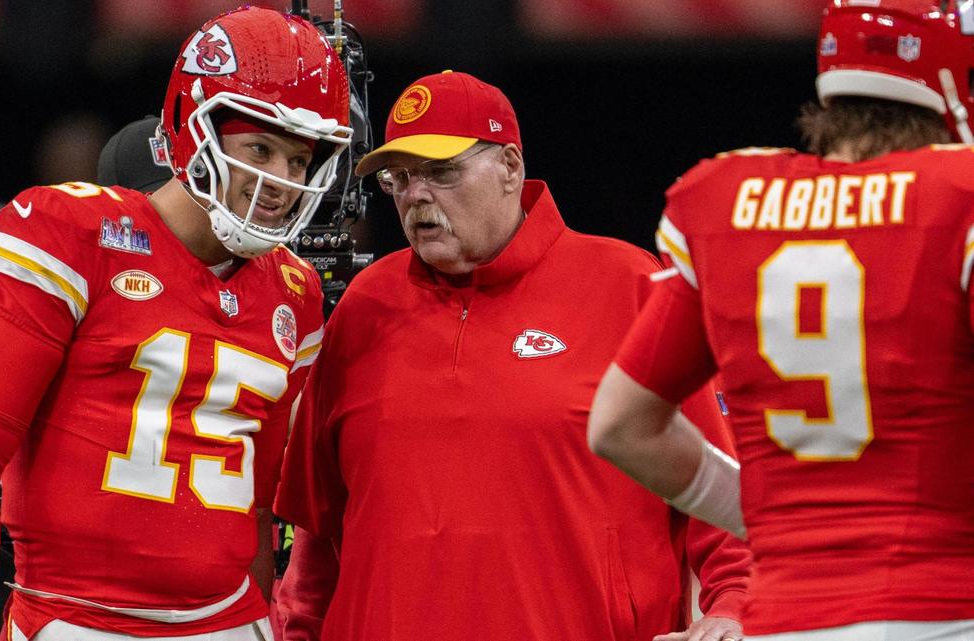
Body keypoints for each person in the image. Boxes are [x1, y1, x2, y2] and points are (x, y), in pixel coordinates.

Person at [274, 70, 750, 641]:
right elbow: (317, 538)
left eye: (442, 172)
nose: (416, 195)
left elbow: (724, 497)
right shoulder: (364, 306)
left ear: (510, 168)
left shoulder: (628, 285)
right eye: (399, 178)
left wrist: (733, 608)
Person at [0, 6, 352, 641]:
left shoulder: (292, 291)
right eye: (261, 148)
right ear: (193, 128)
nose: (280, 181)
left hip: (227, 623)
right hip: (75, 619)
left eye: (299, 160)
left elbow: (261, 508)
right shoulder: (79, 236)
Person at [587, 1, 974, 640]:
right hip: (945, 609)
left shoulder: (729, 199)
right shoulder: (956, 196)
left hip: (786, 619)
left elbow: (621, 427)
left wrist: (777, 519)